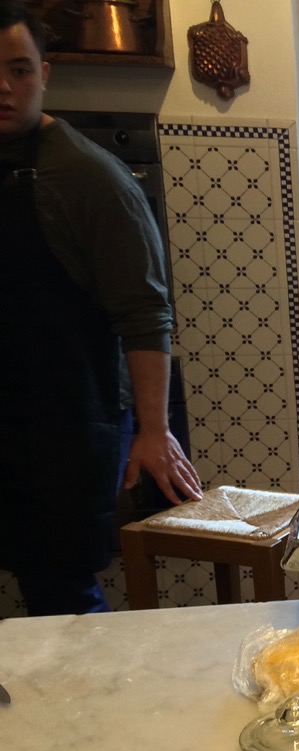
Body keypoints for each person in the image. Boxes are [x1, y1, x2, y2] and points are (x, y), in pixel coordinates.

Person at [0, 2, 202, 616]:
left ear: (44, 74)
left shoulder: (87, 177)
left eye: (19, 70)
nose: (4, 87)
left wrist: (153, 431)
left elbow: (145, 313)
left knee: (60, 592)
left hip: (67, 426)